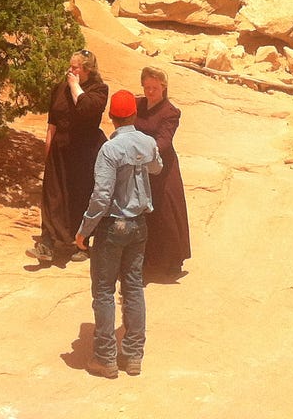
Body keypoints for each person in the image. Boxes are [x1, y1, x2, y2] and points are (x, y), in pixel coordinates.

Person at [76, 89, 163, 378]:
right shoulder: (148, 142)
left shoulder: (110, 150)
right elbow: (156, 167)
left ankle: (105, 357)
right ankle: (133, 355)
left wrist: (84, 230)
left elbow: (102, 196)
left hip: (112, 226)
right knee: (133, 287)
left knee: (103, 291)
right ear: (134, 115)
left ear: (111, 117)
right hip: (139, 225)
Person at [29, 49, 108, 265]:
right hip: (59, 148)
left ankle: (80, 244)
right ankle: (46, 243)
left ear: (87, 70)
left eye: (75, 68)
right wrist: (47, 148)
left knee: (78, 197)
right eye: (70, 66)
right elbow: (52, 121)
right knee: (52, 196)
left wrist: (75, 86)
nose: (70, 71)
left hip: (83, 152)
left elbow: (84, 109)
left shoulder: (99, 90)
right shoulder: (60, 87)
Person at [134, 66, 191, 278]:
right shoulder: (137, 105)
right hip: (140, 167)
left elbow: (164, 140)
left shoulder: (170, 112)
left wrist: (143, 152)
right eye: (147, 87)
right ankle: (147, 258)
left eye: (154, 88)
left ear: (163, 87)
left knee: (167, 212)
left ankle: (173, 259)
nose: (150, 92)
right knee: (144, 213)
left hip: (163, 167)